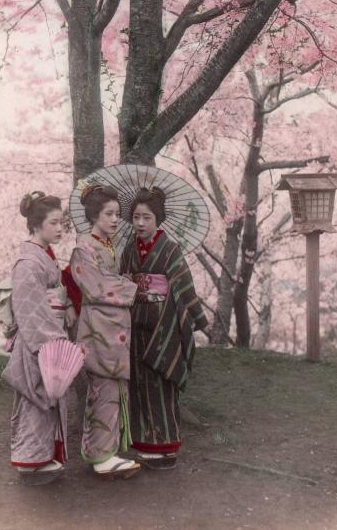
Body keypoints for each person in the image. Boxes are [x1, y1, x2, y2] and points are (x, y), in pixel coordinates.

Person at [120, 187, 208, 470]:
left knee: (160, 380)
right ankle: (144, 443)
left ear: (158, 219)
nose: (140, 223)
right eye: (136, 217)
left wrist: (198, 319)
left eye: (147, 217)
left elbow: (183, 284)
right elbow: (122, 280)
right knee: (138, 381)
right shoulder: (129, 249)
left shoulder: (170, 249)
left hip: (163, 321)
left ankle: (166, 445)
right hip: (135, 319)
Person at [70, 184, 140, 479]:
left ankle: (107, 450)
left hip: (111, 327)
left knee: (113, 389)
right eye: (109, 214)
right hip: (98, 327)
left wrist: (124, 280)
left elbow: (109, 280)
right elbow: (97, 286)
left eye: (117, 214)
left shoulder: (107, 245)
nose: (115, 220)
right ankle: (101, 456)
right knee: (103, 390)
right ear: (94, 215)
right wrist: (135, 287)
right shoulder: (83, 247)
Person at [2, 191, 69, 484]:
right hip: (36, 338)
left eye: (61, 222)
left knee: (46, 400)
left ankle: (38, 458)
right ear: (37, 224)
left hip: (47, 331)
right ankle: (29, 462)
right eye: (53, 223)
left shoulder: (42, 256)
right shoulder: (27, 262)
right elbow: (28, 308)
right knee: (35, 399)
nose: (59, 228)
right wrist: (51, 339)